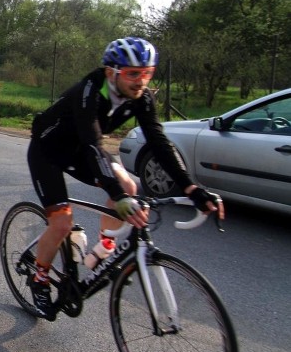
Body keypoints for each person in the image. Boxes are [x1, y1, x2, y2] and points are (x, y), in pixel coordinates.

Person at [26, 36, 224, 321]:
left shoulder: (141, 97)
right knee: (61, 223)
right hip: (49, 151)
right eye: (133, 74)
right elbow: (94, 145)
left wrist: (192, 188)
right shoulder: (90, 92)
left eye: (147, 73)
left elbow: (159, 142)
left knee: (129, 186)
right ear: (112, 72)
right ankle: (40, 278)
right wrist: (117, 196)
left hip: (83, 151)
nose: (140, 81)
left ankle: (105, 245)